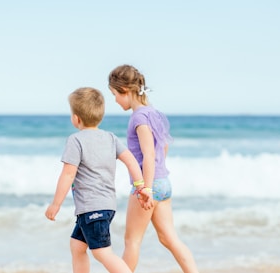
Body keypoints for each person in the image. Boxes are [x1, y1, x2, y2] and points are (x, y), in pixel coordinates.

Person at [45, 87, 152, 273]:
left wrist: (56, 204)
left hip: (92, 208)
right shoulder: (110, 138)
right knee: (77, 246)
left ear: (76, 118)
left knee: (102, 253)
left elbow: (68, 174)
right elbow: (131, 161)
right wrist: (140, 186)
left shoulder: (75, 140)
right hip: (105, 206)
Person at [108, 64, 200, 273]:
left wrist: (146, 188)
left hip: (148, 187)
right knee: (169, 238)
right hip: (163, 183)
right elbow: (163, 146)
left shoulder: (139, 117)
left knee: (132, 241)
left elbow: (148, 154)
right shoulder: (153, 113)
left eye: (114, 94)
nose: (114, 100)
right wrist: (157, 179)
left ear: (125, 91)